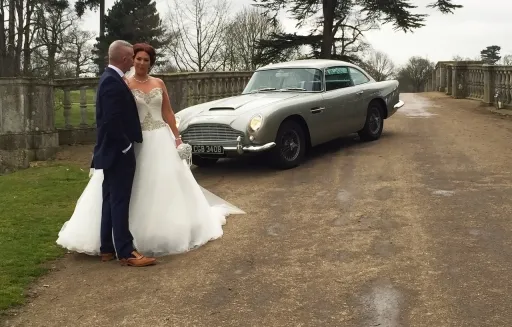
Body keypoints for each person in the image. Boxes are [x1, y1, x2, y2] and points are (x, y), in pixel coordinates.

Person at [56, 41, 244, 265]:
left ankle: (133, 239)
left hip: (158, 139)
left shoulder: (156, 83)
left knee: (155, 187)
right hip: (133, 143)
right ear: (130, 59)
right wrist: (126, 146)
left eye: (146, 60)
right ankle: (120, 247)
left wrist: (177, 138)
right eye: (137, 58)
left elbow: (167, 112)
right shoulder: (121, 82)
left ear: (151, 62)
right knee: (121, 195)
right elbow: (113, 119)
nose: (141, 63)